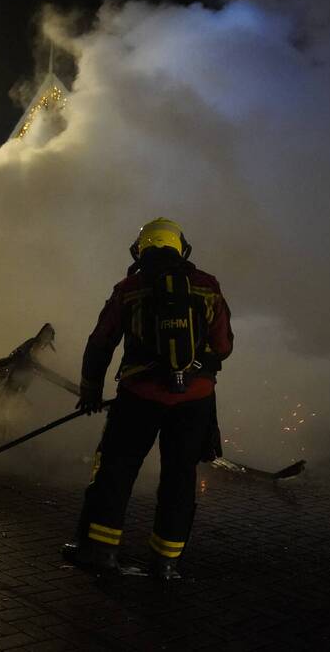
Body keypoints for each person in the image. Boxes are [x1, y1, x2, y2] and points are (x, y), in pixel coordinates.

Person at [64, 218, 233, 580]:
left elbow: (100, 342)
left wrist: (90, 389)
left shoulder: (130, 288)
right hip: (194, 399)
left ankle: (101, 552)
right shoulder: (207, 287)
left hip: (139, 397)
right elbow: (223, 346)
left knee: (115, 471)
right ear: (180, 247)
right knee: (179, 477)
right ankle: (166, 562)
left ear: (140, 251)